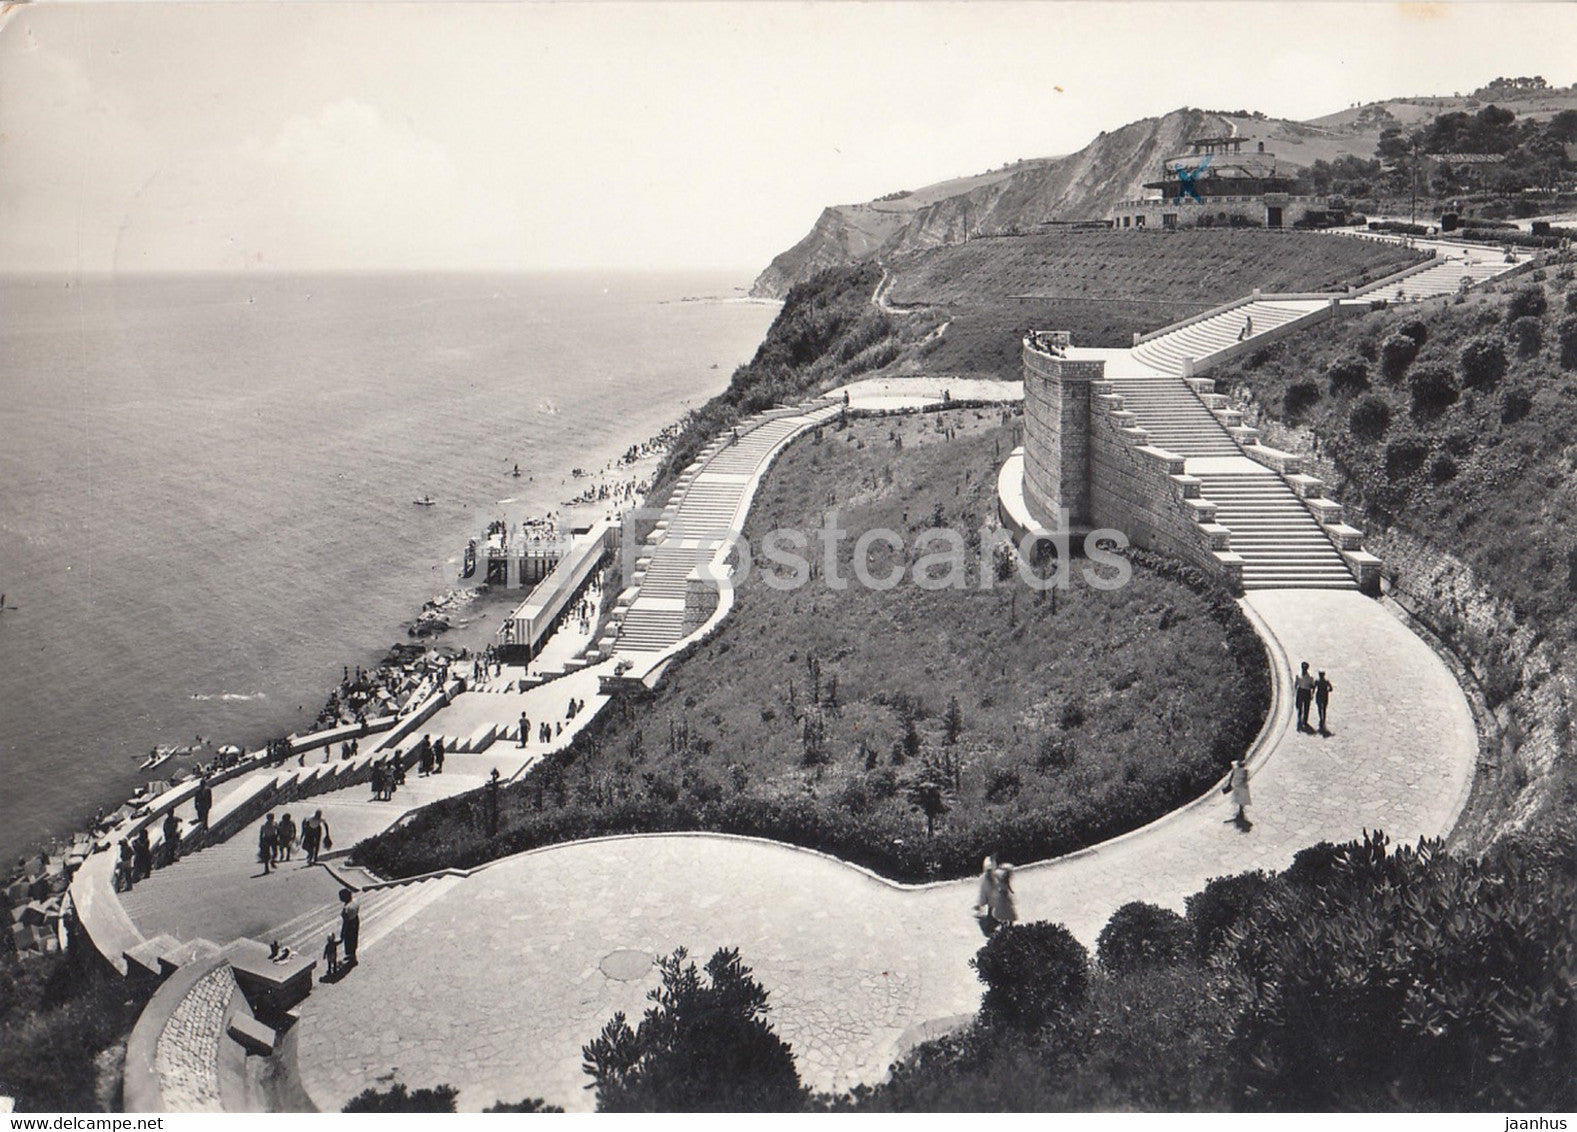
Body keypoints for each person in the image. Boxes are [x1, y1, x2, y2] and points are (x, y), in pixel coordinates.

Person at [1224, 758, 1252, 828]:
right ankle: (1240, 809)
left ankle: (1240, 810)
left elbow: (1232, 778)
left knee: (1238, 798)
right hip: (1242, 786)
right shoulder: (1245, 771)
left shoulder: (1235, 770)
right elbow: (1247, 778)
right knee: (1241, 799)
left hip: (1238, 786)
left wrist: (1230, 784)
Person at [339, 888, 361, 967]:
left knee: (349, 941)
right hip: (355, 920)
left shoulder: (346, 909)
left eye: (341, 896)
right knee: (354, 939)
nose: (340, 898)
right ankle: (352, 956)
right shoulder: (355, 901)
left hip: (350, 925)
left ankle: (352, 959)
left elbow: (345, 923)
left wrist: (342, 934)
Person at [1294, 661, 1316, 732]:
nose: (1304, 670)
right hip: (1300, 691)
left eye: (1305, 668)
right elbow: (1296, 684)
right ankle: (1299, 718)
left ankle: (1305, 721)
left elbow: (1313, 686)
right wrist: (1295, 692)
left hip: (1307, 692)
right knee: (1299, 706)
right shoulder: (1298, 675)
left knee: (1306, 707)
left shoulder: (1310, 677)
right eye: (1303, 668)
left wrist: (1312, 693)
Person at [1314, 670, 1334, 735]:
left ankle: (1321, 719)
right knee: (1324, 709)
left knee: (1319, 708)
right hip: (1325, 696)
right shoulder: (1326, 682)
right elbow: (1331, 689)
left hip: (1319, 696)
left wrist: (1312, 694)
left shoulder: (1317, 681)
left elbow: (1313, 688)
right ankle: (1323, 719)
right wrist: (1327, 691)